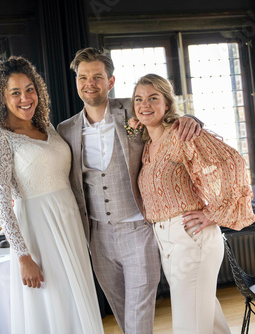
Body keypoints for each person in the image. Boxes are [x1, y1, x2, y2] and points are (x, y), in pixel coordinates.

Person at [57, 47, 202, 334]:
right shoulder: (65, 130)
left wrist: (191, 119)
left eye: (97, 76)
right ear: (76, 82)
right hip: (98, 237)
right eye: (83, 77)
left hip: (138, 231)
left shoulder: (134, 109)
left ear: (110, 81)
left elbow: (166, 113)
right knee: (122, 311)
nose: (90, 83)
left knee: (139, 311)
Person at [0, 56, 103, 334]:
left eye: (30, 89)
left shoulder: (47, 128)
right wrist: (23, 256)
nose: (25, 98)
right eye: (15, 92)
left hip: (69, 224)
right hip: (38, 232)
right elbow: (1, 203)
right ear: (2, 98)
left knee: (76, 297)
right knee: (53, 301)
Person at [133, 74, 255, 333]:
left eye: (153, 98)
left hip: (191, 238)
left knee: (190, 325)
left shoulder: (181, 133)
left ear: (166, 104)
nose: (145, 104)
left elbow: (231, 162)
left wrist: (214, 213)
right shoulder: (145, 144)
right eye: (139, 99)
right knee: (207, 320)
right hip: (165, 241)